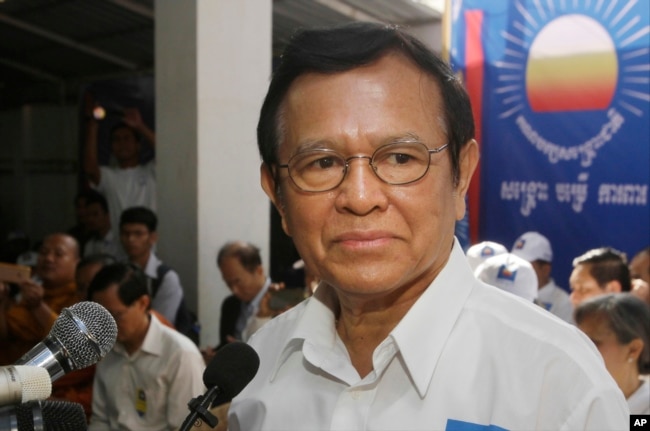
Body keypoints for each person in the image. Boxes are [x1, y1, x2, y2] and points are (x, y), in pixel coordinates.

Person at [227, 22, 628, 430]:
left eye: (400, 158)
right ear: (277, 194)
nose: (361, 198)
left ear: (461, 177)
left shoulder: (559, 385)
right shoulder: (256, 376)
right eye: (322, 163)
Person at [87, 263, 205, 430]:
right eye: (100, 318)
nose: (107, 326)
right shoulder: (107, 347)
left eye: (115, 315)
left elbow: (187, 427)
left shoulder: (180, 354)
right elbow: (100, 420)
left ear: (143, 303)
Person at [0, 233, 80, 364]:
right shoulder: (29, 292)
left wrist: (38, 307)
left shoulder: (80, 297)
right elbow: (5, 337)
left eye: (58, 254)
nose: (48, 258)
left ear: (76, 262)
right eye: (43, 252)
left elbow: (70, 342)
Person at [84, 94, 156, 235]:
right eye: (116, 140)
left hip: (151, 248)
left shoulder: (150, 171)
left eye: (127, 139)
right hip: (120, 249)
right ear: (111, 147)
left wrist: (140, 126)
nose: (122, 144)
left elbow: (168, 154)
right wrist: (93, 124)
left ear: (138, 145)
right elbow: (90, 169)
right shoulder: (108, 176)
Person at [575, 293, 650, 414]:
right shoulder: (573, 399)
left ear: (633, 349)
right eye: (580, 341)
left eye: (594, 342)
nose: (582, 350)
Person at [119, 206, 185, 327]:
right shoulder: (117, 272)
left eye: (138, 234)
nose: (131, 239)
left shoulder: (166, 277)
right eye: (126, 233)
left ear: (153, 237)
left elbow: (161, 323)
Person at [511, 231, 573, 323]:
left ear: (545, 270)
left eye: (525, 266)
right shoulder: (508, 290)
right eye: (514, 263)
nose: (518, 269)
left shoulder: (563, 303)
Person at [81, 189, 125, 261]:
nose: (90, 219)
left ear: (107, 215)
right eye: (88, 215)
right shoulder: (89, 245)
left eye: (95, 214)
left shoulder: (119, 241)